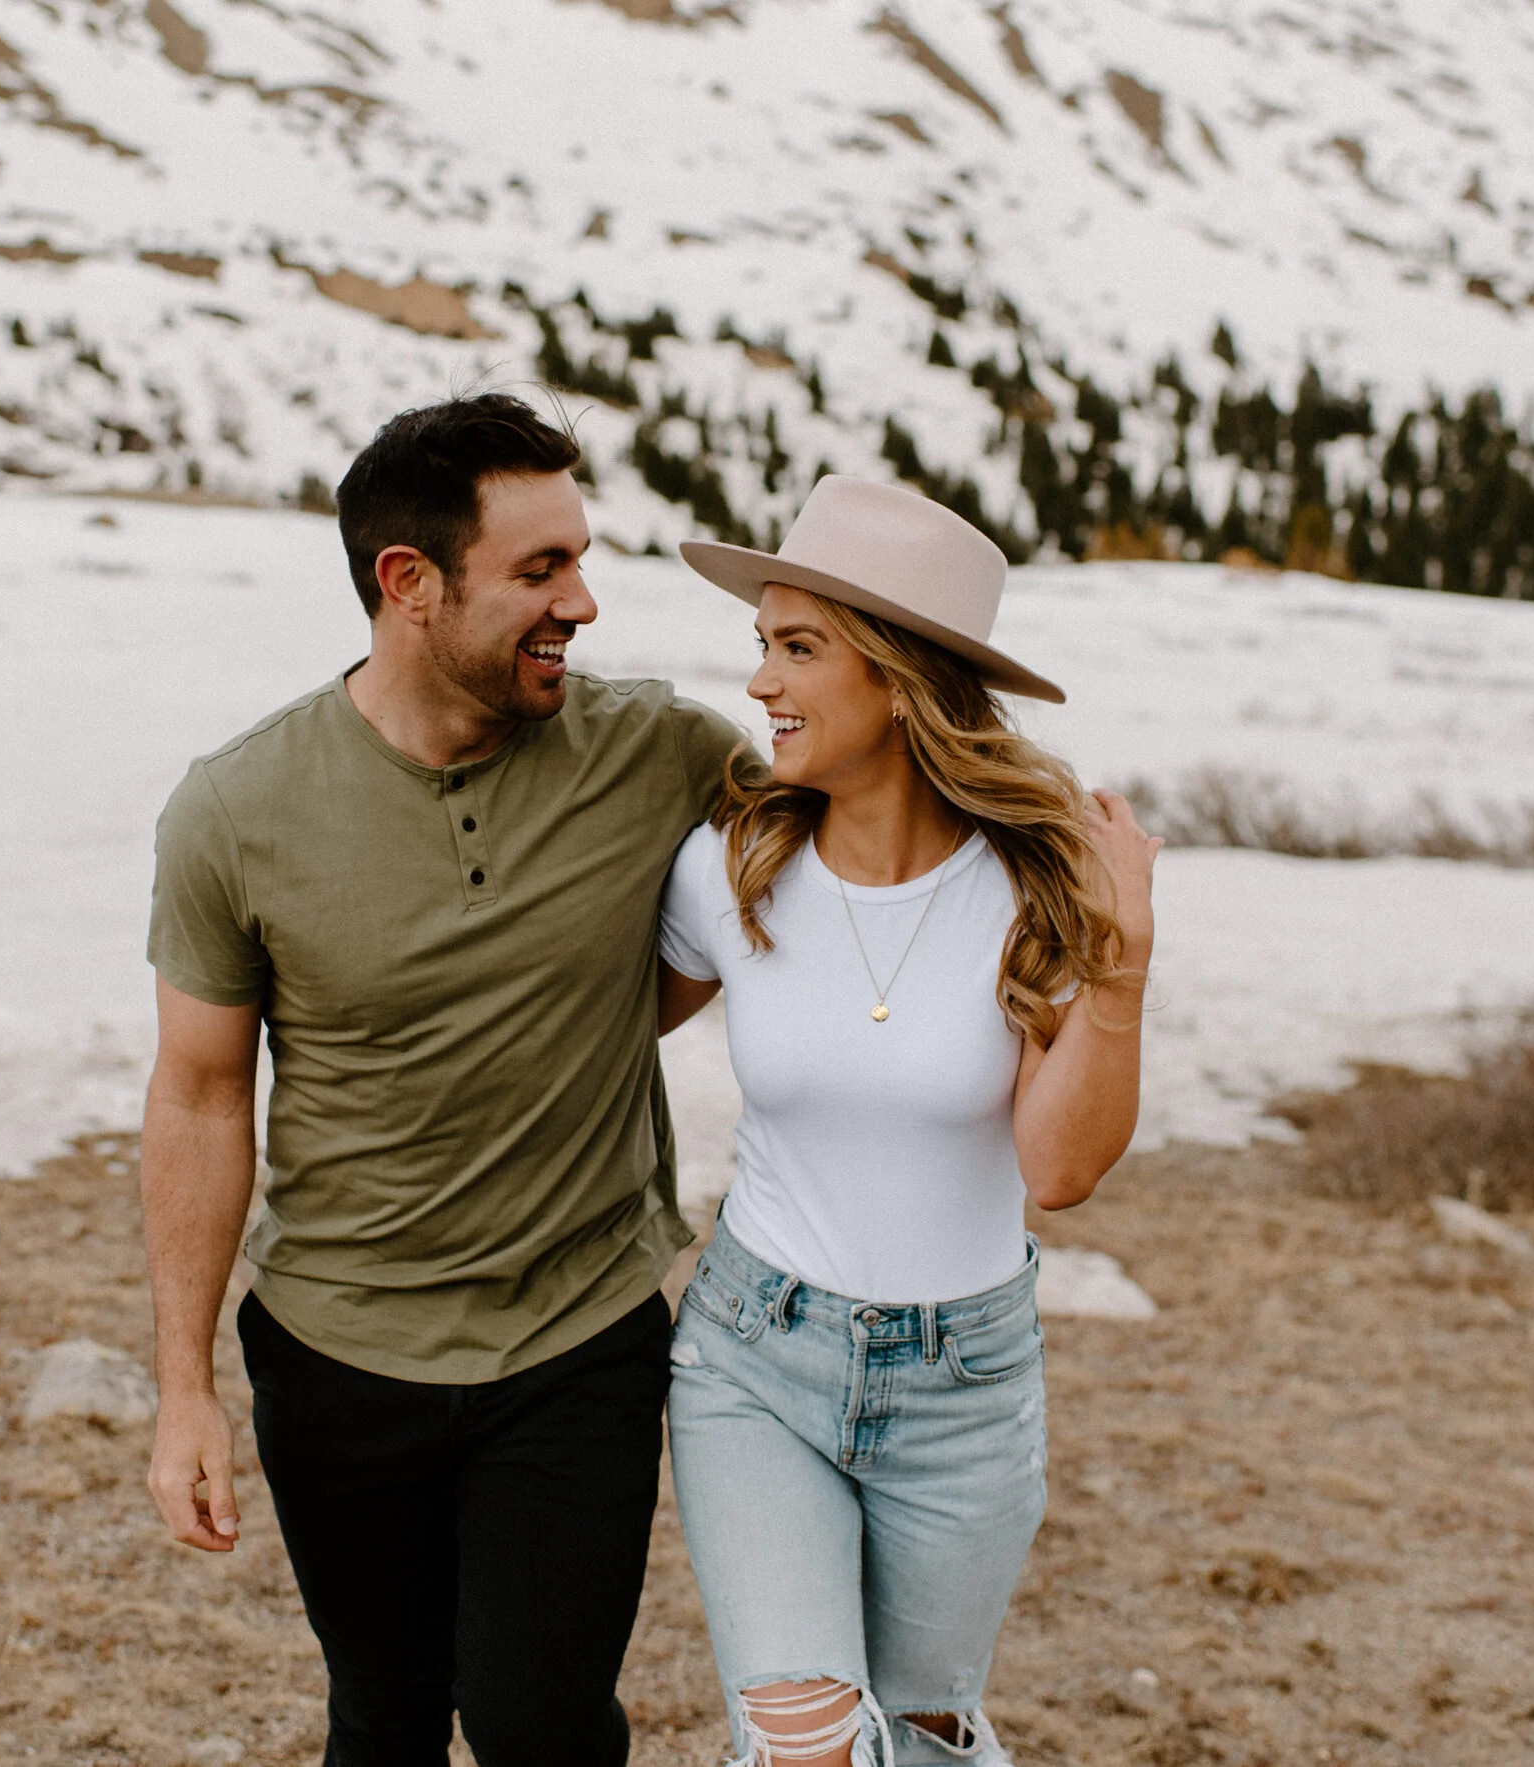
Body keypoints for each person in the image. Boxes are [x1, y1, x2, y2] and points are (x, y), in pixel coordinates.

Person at [139, 393, 749, 1767]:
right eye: (540, 571)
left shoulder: (661, 754)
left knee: (542, 1726)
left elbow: (831, 826)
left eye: (581, 560)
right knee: (387, 1719)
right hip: (336, 1354)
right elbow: (196, 1095)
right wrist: (185, 1388)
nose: (583, 604)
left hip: (576, 1343)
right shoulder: (236, 810)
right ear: (408, 585)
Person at [654, 475, 1162, 1766]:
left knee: (925, 1739)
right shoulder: (730, 869)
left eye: (800, 646)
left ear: (901, 676)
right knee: (805, 1741)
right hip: (753, 1359)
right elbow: (577, 1033)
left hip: (965, 1389)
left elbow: (1060, 1167)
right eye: (761, 643)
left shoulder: (1040, 887)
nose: (762, 682)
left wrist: (1121, 965)